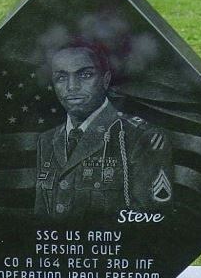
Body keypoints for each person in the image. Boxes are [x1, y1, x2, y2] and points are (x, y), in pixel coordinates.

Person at [34, 44, 174, 220]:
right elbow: (41, 219)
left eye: (85, 75)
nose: (72, 87)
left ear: (105, 80)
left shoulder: (141, 137)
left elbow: (152, 219)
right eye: (61, 77)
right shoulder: (47, 140)